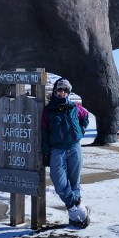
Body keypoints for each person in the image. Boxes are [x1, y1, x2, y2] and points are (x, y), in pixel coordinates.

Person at [41, 77, 91, 227]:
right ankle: (77, 206)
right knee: (59, 182)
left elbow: (85, 118)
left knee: (74, 181)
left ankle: (73, 217)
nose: (62, 92)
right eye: (60, 89)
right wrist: (45, 153)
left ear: (68, 92)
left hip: (75, 148)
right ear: (55, 91)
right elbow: (44, 133)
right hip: (58, 150)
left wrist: (80, 132)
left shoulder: (75, 107)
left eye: (65, 90)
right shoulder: (48, 111)